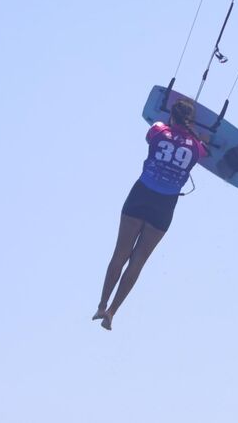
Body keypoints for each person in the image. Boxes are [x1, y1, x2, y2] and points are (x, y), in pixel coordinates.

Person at [93, 99, 208, 330]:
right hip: (164, 205)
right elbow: (204, 151)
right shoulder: (197, 147)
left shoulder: (157, 130)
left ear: (171, 116)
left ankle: (102, 305)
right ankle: (113, 313)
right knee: (138, 261)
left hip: (141, 195)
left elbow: (153, 134)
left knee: (120, 254)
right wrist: (197, 134)